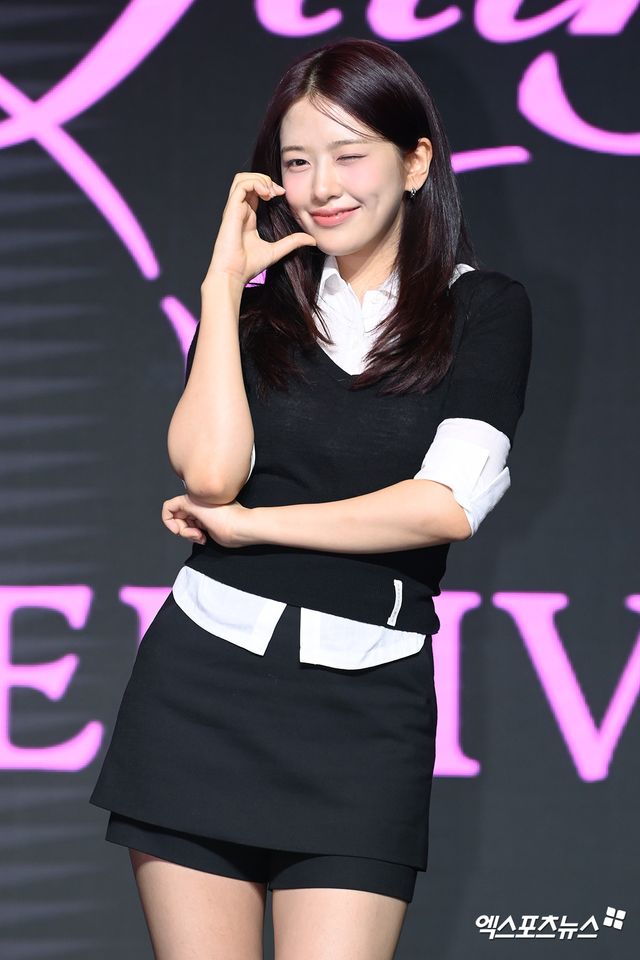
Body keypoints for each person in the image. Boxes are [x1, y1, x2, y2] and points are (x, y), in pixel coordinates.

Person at [89, 36, 532, 960]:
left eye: (349, 154)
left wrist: (250, 527)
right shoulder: (255, 317)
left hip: (366, 709)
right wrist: (223, 285)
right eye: (296, 162)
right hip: (200, 690)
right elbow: (208, 475)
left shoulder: (483, 310)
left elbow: (445, 505)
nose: (321, 186)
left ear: (416, 163)